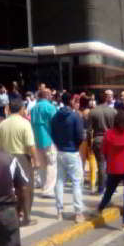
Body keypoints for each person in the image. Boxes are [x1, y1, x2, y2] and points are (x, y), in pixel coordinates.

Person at [0, 99, 38, 227]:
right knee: (27, 188)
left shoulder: (2, 124)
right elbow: (30, 145)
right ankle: (26, 216)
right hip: (21, 157)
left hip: (6, 158)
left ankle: (15, 213)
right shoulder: (25, 123)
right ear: (21, 109)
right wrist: (36, 160)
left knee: (11, 189)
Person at [50, 92, 86, 223]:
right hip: (72, 151)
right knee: (76, 182)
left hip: (60, 151)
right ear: (71, 101)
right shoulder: (75, 116)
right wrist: (75, 146)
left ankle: (59, 211)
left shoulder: (55, 117)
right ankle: (78, 212)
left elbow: (52, 133)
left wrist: (59, 144)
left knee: (59, 181)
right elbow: (80, 136)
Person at [88, 91, 117, 195]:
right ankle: (111, 186)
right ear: (106, 99)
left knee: (101, 164)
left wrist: (88, 144)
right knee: (110, 164)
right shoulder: (113, 111)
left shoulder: (93, 112)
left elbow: (89, 130)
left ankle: (101, 188)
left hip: (98, 140)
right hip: (111, 139)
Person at [31, 89, 58, 198]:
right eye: (50, 94)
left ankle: (44, 187)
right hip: (49, 139)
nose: (51, 96)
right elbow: (56, 124)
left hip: (37, 140)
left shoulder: (33, 108)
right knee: (52, 164)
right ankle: (48, 190)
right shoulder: (50, 107)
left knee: (42, 165)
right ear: (47, 96)